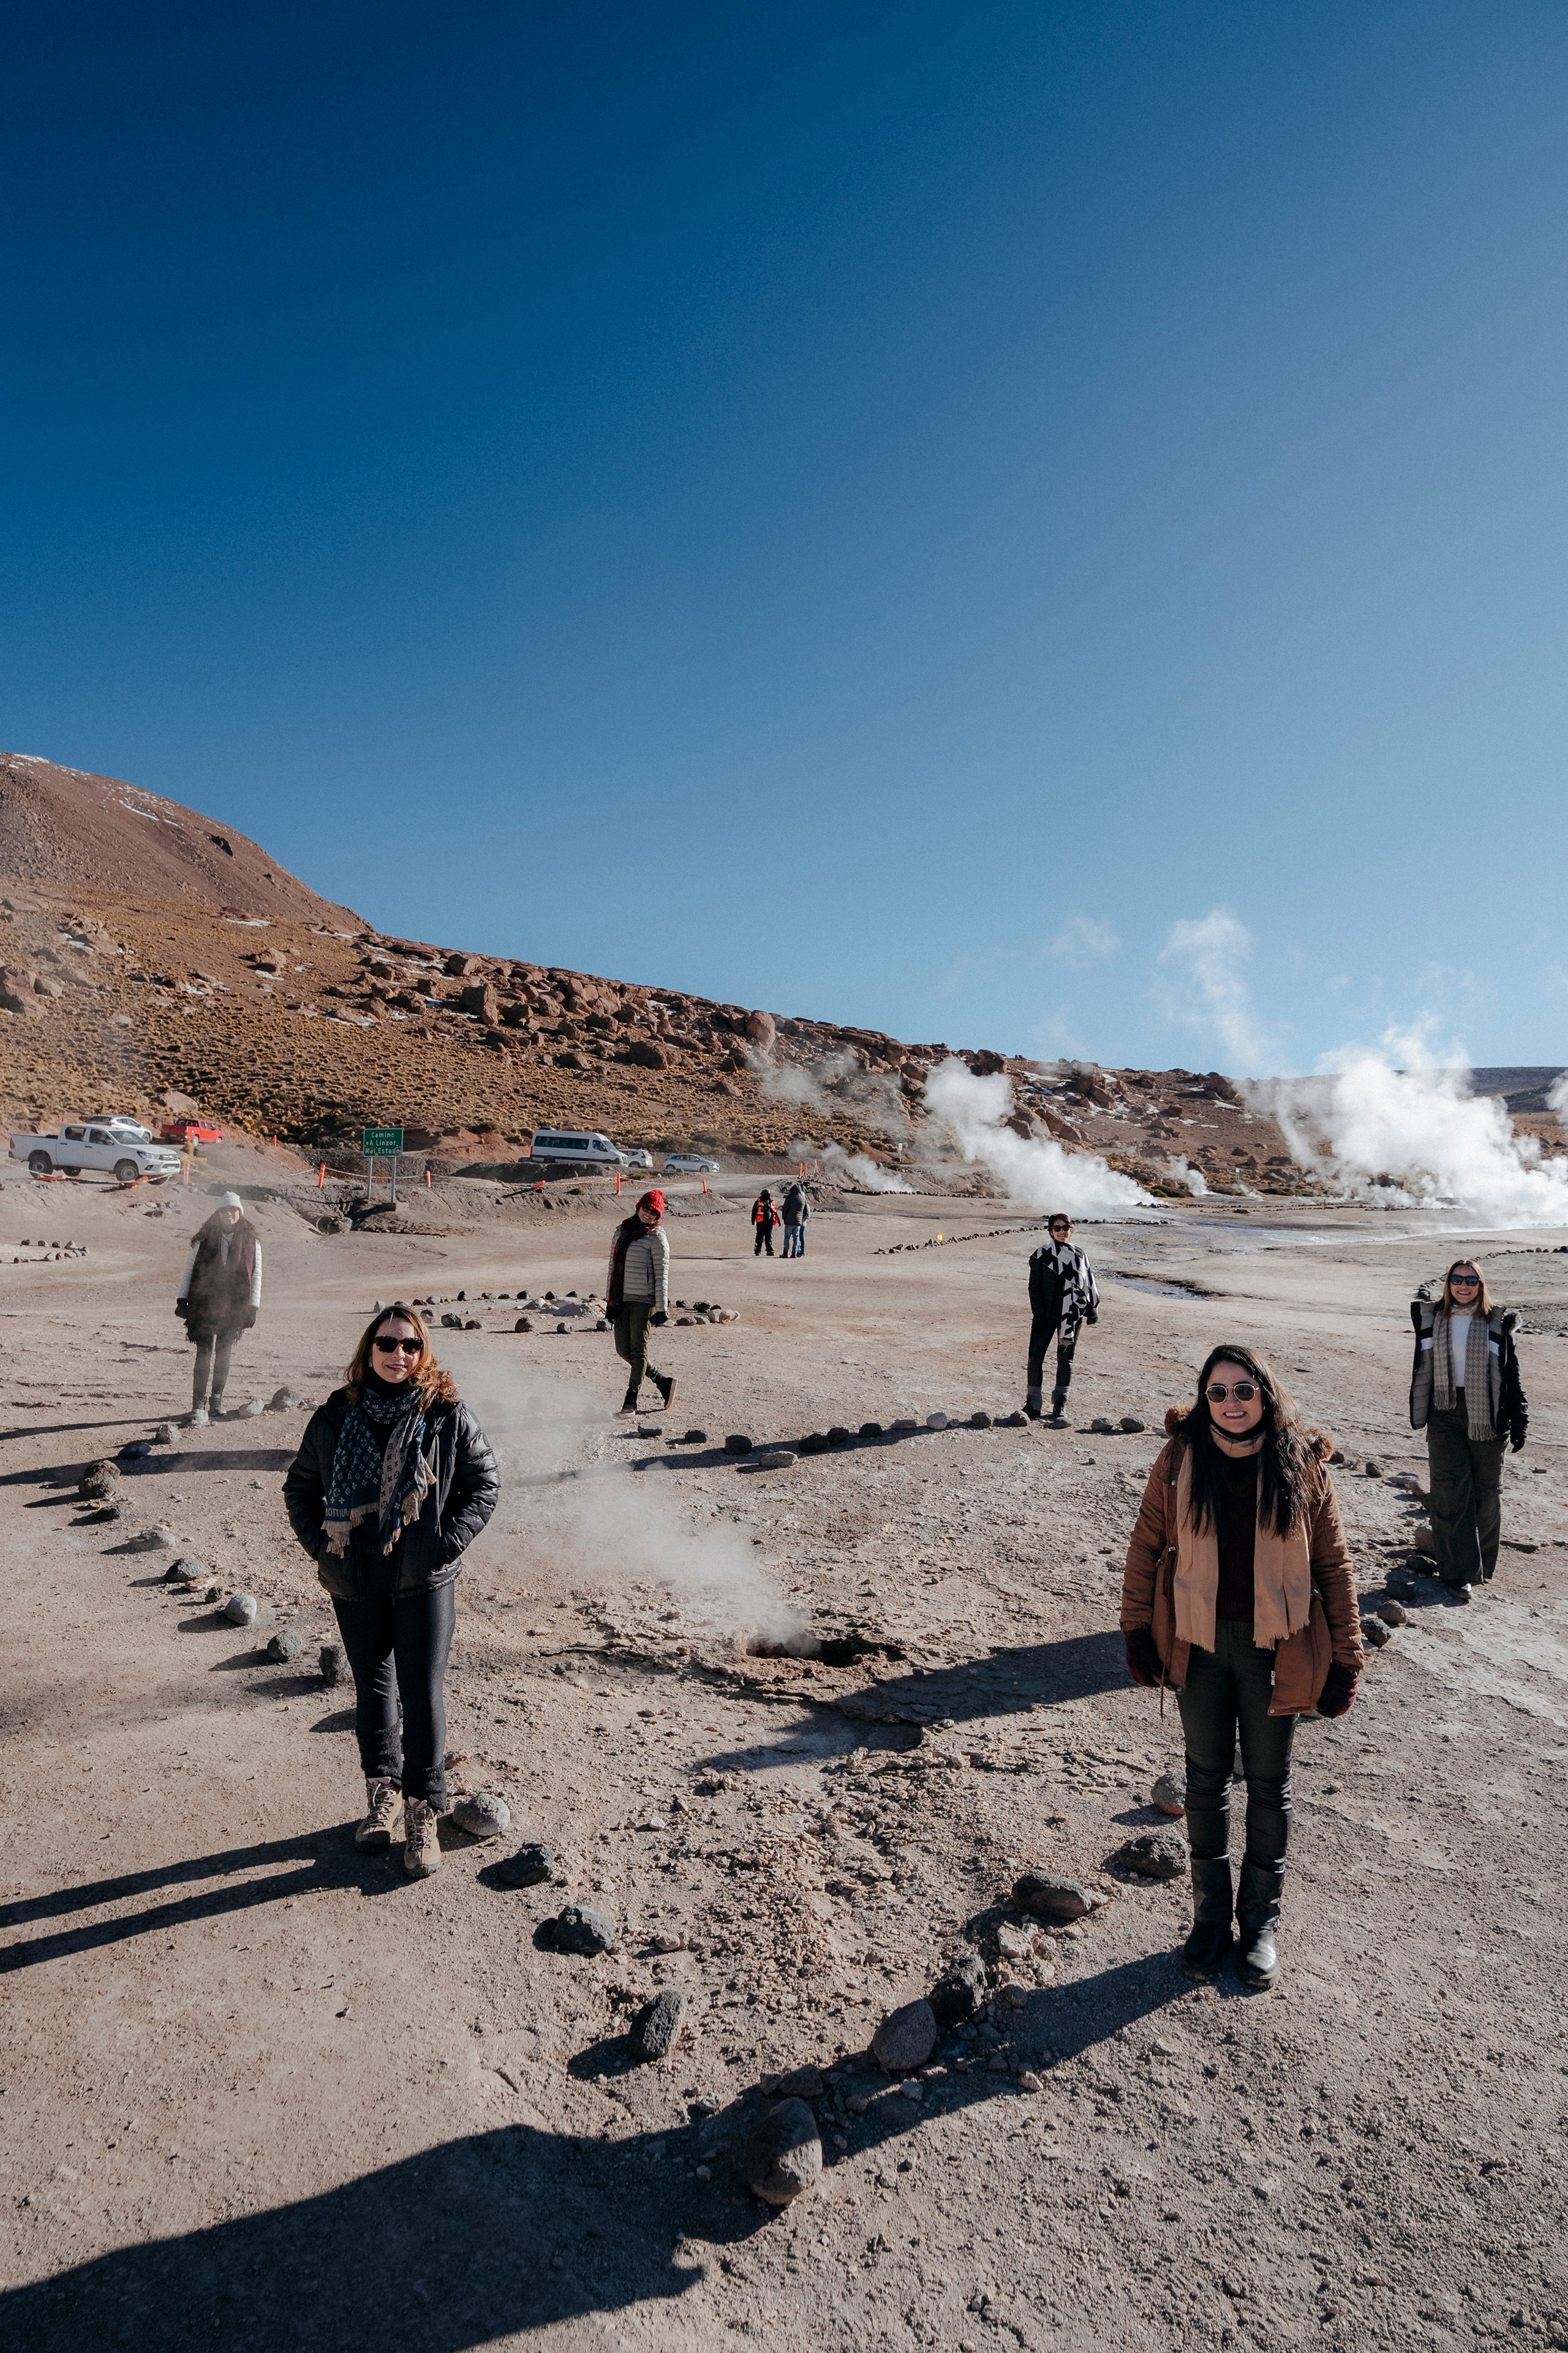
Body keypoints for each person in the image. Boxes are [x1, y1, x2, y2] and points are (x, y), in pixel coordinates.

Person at [1119, 1344, 1364, 1992]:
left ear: (1266, 1392)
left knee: (1267, 1784)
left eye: (1243, 1390)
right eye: (1217, 1392)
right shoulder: (1179, 1458)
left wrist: (1346, 1656)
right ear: (1204, 1399)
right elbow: (1146, 1545)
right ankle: (1208, 1921)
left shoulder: (1302, 1463)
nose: (1231, 1403)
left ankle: (1258, 1923)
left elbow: (1332, 1566)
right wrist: (1136, 1630)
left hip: (1273, 1647)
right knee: (1203, 1784)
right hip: (1199, 1645)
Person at [283, 1304, 497, 1876]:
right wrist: (322, 1545)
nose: (397, 1355)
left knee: (421, 1692)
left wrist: (443, 1544)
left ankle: (423, 1808)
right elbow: (300, 1485)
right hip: (355, 1577)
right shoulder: (337, 1413)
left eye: (409, 1345)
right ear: (368, 1349)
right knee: (373, 1688)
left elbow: (484, 1484)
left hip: (422, 1578)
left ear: (423, 1351)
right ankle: (383, 1792)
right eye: (386, 1343)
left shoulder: (445, 1413)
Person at [1409, 1259, 1527, 1602]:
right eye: (1457, 1279)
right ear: (1448, 1284)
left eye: (1471, 1280)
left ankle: (1482, 1565)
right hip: (1444, 1411)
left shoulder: (1496, 1323)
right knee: (1449, 1491)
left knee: (1487, 1493)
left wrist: (1519, 1419)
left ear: (1480, 1284)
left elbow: (1512, 1373)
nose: (1464, 1285)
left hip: (1487, 1413)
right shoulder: (1434, 1319)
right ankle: (1459, 1572)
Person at [176, 1190, 262, 1424]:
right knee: (203, 1353)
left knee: (224, 1352)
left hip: (234, 1304)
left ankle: (217, 1400)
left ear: (240, 1212)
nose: (229, 1214)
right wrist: (182, 1299)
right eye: (224, 1210)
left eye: (233, 1210)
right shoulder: (204, 1239)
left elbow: (256, 1275)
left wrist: (253, 1307)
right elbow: (189, 1271)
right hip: (204, 1302)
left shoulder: (251, 1241)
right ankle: (198, 1403)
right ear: (218, 1212)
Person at [607, 1188, 675, 1414]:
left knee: (639, 1348)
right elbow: (612, 1267)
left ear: (658, 1216)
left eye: (654, 1212)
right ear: (639, 1206)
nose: (649, 1214)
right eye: (646, 1208)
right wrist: (609, 1298)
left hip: (643, 1300)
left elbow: (662, 1273)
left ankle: (631, 1400)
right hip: (621, 1298)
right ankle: (662, 1381)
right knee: (623, 1349)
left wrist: (662, 1306)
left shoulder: (657, 1237)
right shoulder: (622, 1230)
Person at [1025, 1213, 1098, 1422]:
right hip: (1044, 1316)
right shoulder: (1041, 1255)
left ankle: (1060, 1404)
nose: (1062, 1231)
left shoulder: (1079, 1256)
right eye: (1057, 1228)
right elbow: (1033, 1287)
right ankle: (1033, 1404)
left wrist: (1092, 1307)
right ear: (1050, 1231)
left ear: (1071, 1230)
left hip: (1071, 1317)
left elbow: (1088, 1283)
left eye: (1066, 1227)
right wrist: (1038, 1312)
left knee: (1066, 1361)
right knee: (1034, 1360)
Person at [780, 1179, 810, 1258]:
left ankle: (785, 1253)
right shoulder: (803, 1199)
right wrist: (801, 1219)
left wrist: (784, 1218)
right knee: (796, 1238)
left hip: (789, 1221)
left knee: (787, 1237)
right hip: (798, 1222)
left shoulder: (789, 1198)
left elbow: (785, 1209)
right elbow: (806, 1211)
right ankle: (795, 1253)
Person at [752, 1188, 779, 1256]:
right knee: (759, 1238)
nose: (769, 1196)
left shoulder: (771, 1202)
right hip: (761, 1223)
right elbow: (754, 1212)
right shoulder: (758, 1202)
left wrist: (778, 1220)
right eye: (768, 1195)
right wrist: (753, 1220)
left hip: (769, 1223)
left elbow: (775, 1212)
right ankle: (757, 1251)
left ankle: (770, 1251)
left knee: (769, 1238)